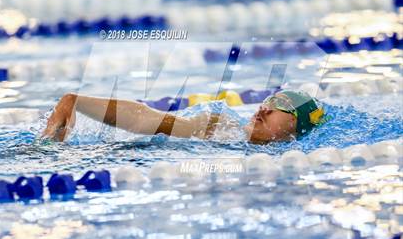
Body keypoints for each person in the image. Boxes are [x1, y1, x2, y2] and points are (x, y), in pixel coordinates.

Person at [42, 90, 325, 144]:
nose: (263, 108)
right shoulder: (218, 126)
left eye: (281, 106)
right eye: (268, 100)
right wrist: (76, 101)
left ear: (294, 127)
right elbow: (147, 119)